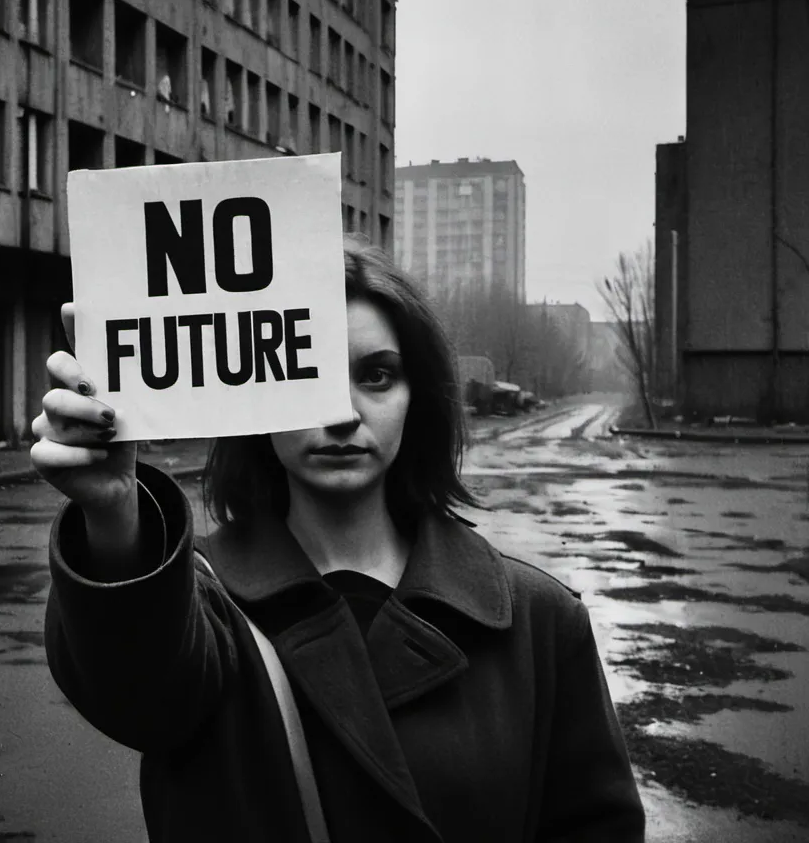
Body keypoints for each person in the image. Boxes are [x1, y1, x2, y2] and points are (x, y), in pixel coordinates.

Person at [33, 236, 645, 843]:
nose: (343, 414)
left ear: (417, 398)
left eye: (377, 375)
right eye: (309, 372)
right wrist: (113, 516)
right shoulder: (195, 607)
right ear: (253, 396)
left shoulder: (538, 620)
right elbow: (137, 696)